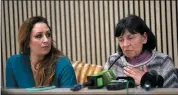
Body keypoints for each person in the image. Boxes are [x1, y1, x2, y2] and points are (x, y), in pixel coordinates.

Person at [104, 14, 178, 88]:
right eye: (121, 40)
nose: (125, 44)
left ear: (144, 38)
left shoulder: (163, 61)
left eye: (130, 38)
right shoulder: (113, 61)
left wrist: (147, 82)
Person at [6, 16, 77, 88]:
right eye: (39, 36)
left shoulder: (63, 64)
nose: (46, 40)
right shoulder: (13, 63)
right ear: (26, 42)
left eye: (48, 35)